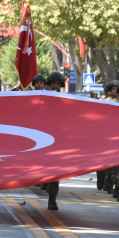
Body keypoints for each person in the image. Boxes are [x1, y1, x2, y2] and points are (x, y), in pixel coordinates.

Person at [43, 72, 66, 210]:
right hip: (42, 138)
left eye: (58, 84)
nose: (55, 86)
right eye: (53, 83)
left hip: (57, 140)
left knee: (55, 172)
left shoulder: (64, 99)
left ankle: (52, 199)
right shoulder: (42, 96)